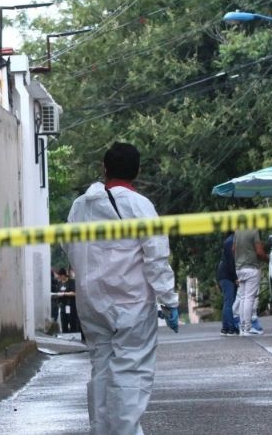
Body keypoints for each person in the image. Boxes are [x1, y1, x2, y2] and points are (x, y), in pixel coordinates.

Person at [66, 142, 179, 435]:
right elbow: (155, 258)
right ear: (137, 172)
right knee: (130, 373)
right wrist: (169, 299)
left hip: (91, 304)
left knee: (101, 371)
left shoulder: (81, 206)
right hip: (131, 305)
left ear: (104, 168)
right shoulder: (140, 206)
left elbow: (70, 248)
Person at [234, 228, 268, 337]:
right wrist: (268, 258)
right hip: (252, 267)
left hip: (239, 268)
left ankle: (242, 327)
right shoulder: (254, 231)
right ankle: (248, 328)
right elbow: (259, 252)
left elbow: (233, 249)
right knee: (249, 298)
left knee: (243, 297)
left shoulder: (237, 231)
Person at [217, 232, 238, 336]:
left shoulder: (229, 240)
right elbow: (231, 262)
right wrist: (235, 278)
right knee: (229, 302)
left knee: (227, 302)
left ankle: (225, 327)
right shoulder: (231, 241)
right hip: (227, 276)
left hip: (223, 275)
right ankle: (231, 328)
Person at [55, 267, 79, 333]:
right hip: (63, 305)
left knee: (72, 321)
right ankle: (65, 334)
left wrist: (64, 293)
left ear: (63, 275)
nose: (59, 278)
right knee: (64, 321)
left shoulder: (71, 282)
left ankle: (74, 333)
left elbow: (74, 293)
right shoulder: (59, 283)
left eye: (60, 276)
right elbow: (57, 292)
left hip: (70, 305)